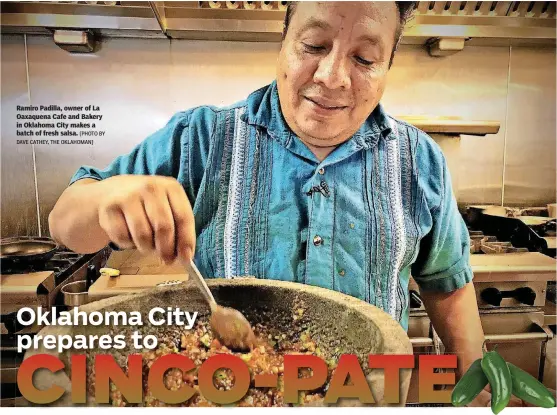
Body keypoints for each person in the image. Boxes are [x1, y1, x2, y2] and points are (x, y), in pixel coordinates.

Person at [49, 1, 508, 406]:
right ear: (283, 42)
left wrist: (478, 389)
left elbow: (447, 284)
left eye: (365, 58)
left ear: (388, 66)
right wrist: (106, 198)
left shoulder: (418, 160)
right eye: (313, 46)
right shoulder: (203, 139)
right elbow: (66, 223)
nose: (332, 78)